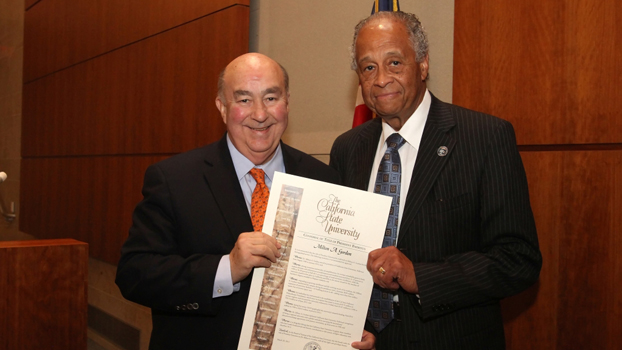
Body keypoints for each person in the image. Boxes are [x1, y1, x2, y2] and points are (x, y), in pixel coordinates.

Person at [116, 53, 375, 350]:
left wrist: (352, 326)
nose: (260, 114)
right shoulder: (174, 180)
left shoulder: (324, 180)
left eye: (271, 97)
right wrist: (226, 268)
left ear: (287, 102)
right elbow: (135, 274)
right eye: (243, 100)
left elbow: (339, 277)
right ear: (222, 108)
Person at [330, 11, 542, 350]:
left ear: (423, 64)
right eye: (368, 67)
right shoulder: (347, 149)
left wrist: (420, 277)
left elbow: (518, 260)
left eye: (395, 62)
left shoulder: (484, 138)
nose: (381, 78)